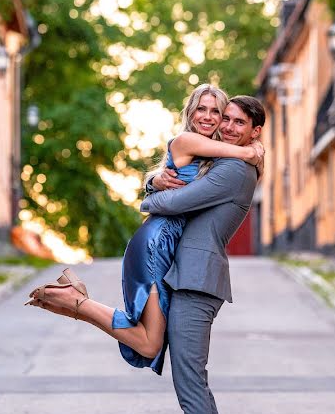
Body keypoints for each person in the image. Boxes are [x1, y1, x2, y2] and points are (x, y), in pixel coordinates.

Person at [25, 85, 263, 377]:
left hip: (168, 244)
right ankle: (78, 303)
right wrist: (254, 149)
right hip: (156, 242)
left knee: (151, 341)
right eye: (201, 108)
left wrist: (154, 181)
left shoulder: (211, 157)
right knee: (150, 344)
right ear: (190, 111)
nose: (209, 117)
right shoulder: (188, 140)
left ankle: (76, 301)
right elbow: (240, 152)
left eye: (217, 111)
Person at [139, 95, 265, 414]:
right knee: (196, 381)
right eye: (224, 118)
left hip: (196, 279)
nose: (227, 126)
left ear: (255, 132)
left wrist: (146, 200)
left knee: (190, 382)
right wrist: (153, 182)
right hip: (193, 277)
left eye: (237, 122)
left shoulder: (233, 170)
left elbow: (176, 203)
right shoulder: (227, 163)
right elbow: (175, 176)